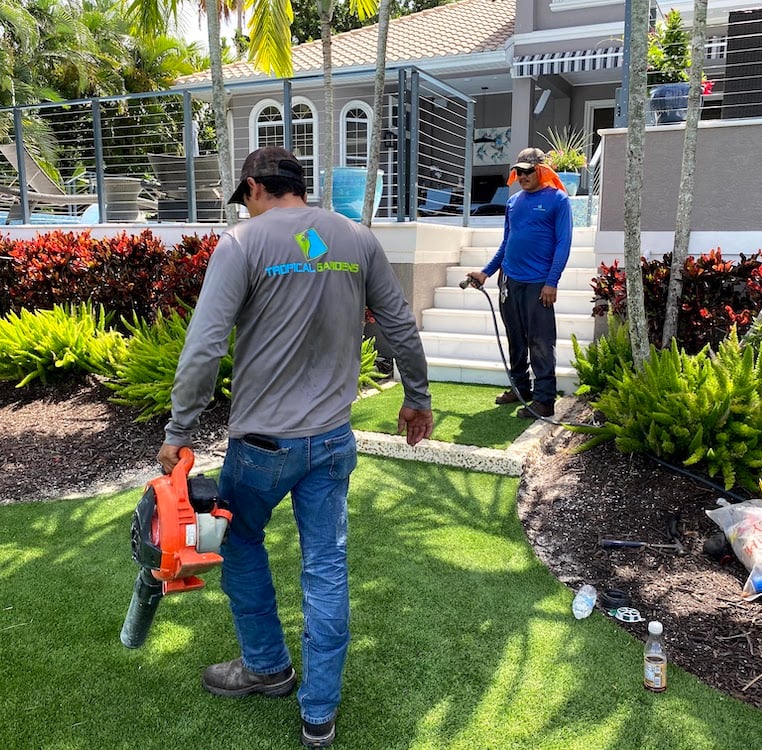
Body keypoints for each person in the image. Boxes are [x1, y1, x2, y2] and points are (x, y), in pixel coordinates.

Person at [157, 146, 434, 748]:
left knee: (241, 539)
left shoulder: (242, 243)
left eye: (247, 198)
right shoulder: (355, 239)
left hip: (260, 448)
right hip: (332, 442)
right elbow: (399, 325)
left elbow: (204, 347)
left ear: (256, 187)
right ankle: (319, 715)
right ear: (299, 187)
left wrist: (179, 432)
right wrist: (417, 396)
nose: (248, 208)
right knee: (326, 567)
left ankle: (266, 666)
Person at [465, 146, 572, 419]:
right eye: (518, 171)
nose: (521, 176)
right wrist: (486, 273)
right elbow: (506, 244)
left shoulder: (558, 200)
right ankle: (520, 389)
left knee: (540, 342)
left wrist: (552, 282)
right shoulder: (513, 203)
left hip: (539, 284)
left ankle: (544, 399)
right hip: (510, 281)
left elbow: (563, 244)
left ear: (541, 171)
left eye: (527, 171)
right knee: (515, 339)